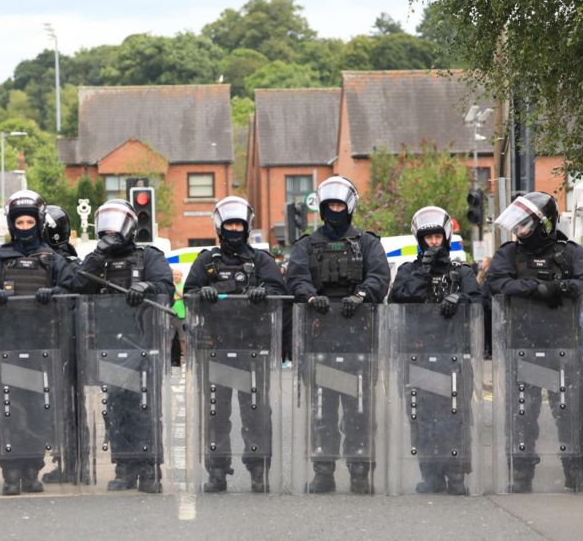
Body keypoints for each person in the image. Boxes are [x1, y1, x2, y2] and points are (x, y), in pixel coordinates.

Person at [487, 191, 583, 492]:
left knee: (569, 413)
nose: (519, 231)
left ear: (544, 224)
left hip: (563, 348)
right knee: (522, 413)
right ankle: (521, 476)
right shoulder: (509, 253)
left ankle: (576, 475)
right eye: (518, 226)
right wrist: (533, 288)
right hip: (521, 346)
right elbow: (495, 283)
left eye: (525, 225)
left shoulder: (569, 252)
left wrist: (559, 287)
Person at [285, 175, 390, 494]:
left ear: (349, 207)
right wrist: (309, 297)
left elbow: (380, 276)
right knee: (322, 411)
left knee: (359, 410)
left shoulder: (368, 243)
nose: (334, 210)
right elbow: (296, 277)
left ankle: (360, 471)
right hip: (319, 341)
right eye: (329, 205)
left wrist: (361, 296)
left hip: (359, 339)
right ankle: (323, 470)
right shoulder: (306, 245)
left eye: (338, 205)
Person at [183, 196, 285, 493]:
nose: (235, 228)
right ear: (220, 226)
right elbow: (187, 296)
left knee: (255, 412)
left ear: (247, 226)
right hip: (215, 347)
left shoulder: (261, 260)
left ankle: (258, 471)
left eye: (239, 223)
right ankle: (216, 471)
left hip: (253, 347)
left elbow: (279, 291)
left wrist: (262, 292)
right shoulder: (206, 261)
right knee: (215, 412)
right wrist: (201, 293)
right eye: (230, 223)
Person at [0, 190, 76, 495]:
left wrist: (55, 294)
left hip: (42, 346)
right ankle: (10, 472)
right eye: (19, 221)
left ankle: (33, 469)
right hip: (5, 346)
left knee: (37, 410)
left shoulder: (53, 260)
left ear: (37, 224)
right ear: (12, 224)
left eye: (28, 221)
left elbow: (73, 289)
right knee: (8, 409)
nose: (24, 226)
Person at [74, 199, 174, 493]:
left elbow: (166, 287)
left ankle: (150, 467)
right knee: (116, 409)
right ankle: (125, 467)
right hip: (108, 344)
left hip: (142, 343)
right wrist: (96, 255)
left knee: (144, 407)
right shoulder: (95, 261)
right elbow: (78, 287)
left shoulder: (148, 258)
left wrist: (147, 287)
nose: (111, 233)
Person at [389, 206, 483, 495]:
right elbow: (399, 300)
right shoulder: (408, 270)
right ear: (419, 239)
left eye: (436, 237)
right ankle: (430, 475)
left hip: (452, 356)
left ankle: (456, 475)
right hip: (417, 355)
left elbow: (481, 303)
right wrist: (425, 269)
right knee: (421, 417)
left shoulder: (461, 271)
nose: (432, 242)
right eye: (427, 237)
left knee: (455, 416)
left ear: (446, 237)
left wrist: (460, 298)